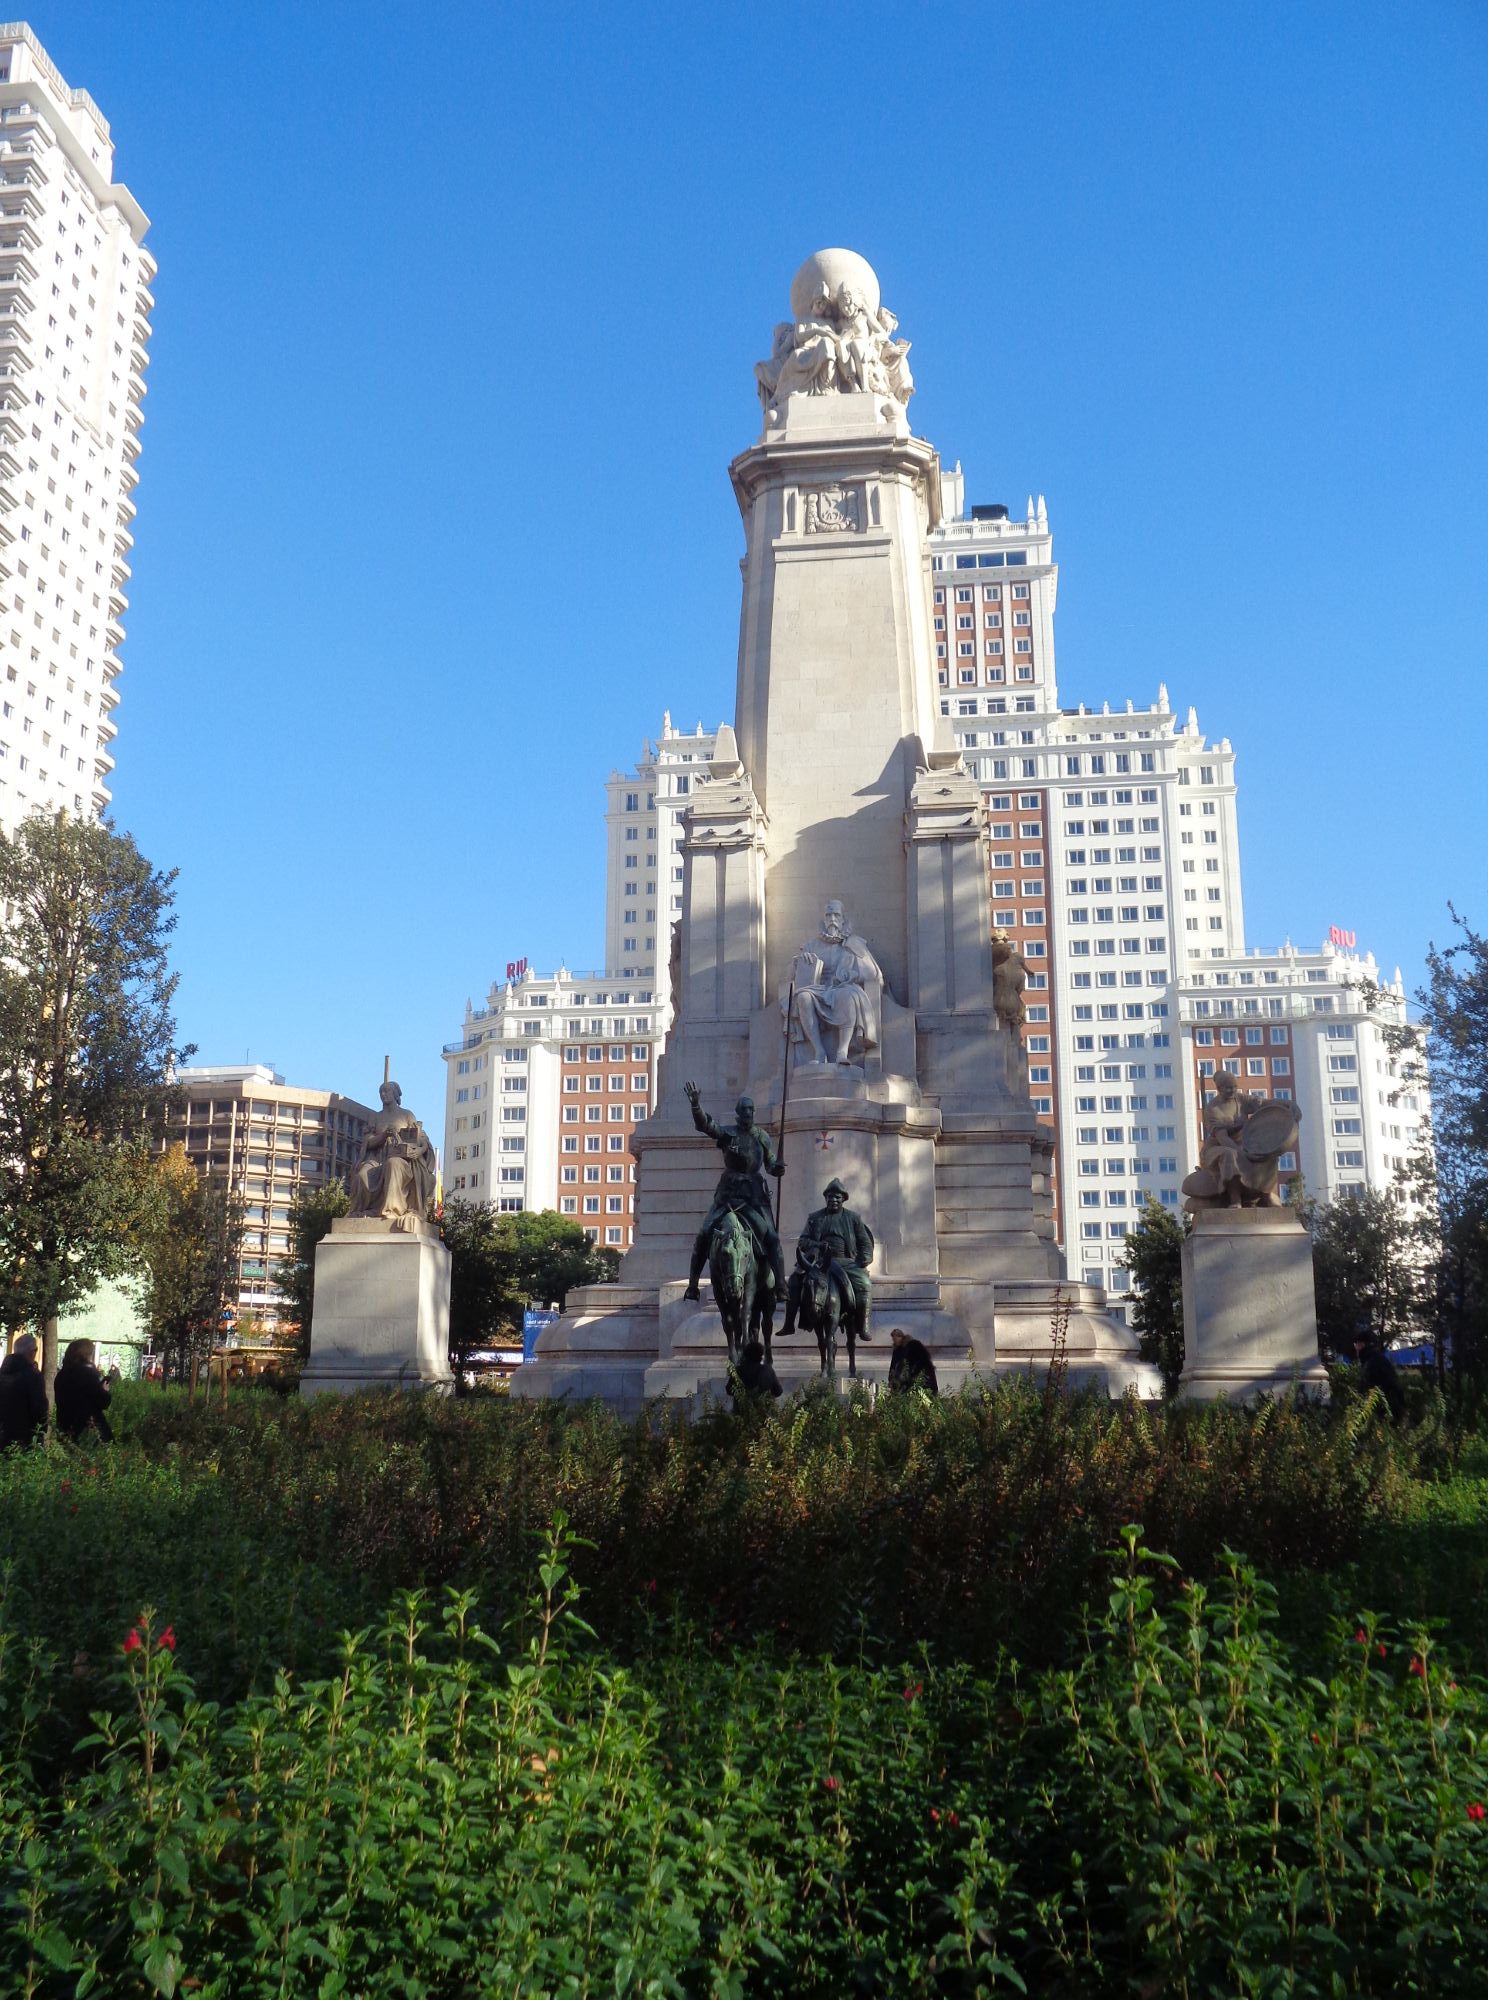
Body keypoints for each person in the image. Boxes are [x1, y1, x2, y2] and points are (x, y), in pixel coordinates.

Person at [682, 1082, 788, 1304]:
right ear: (738, 1114)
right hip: (728, 1196)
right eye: (744, 1111)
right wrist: (695, 1106)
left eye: (750, 1111)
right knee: (704, 1234)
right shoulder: (728, 1134)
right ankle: (693, 1285)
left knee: (772, 1238)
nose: (747, 1114)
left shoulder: (762, 1137)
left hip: (755, 1197)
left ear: (753, 1113)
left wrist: (776, 1168)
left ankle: (780, 1285)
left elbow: (769, 1165)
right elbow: (707, 1126)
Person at [781, 1178, 874, 1344]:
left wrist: (864, 1260)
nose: (833, 1200)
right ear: (826, 1198)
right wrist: (817, 1245)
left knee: (865, 1284)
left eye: (837, 1197)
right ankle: (789, 1323)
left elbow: (865, 1243)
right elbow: (803, 1241)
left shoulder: (853, 1218)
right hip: (818, 1261)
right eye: (830, 1196)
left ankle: (863, 1326)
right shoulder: (815, 1217)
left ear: (843, 1199)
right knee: (795, 1280)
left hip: (845, 1261)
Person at [348, 1080, 438, 1227]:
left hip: (402, 1158)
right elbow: (368, 1142)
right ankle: (366, 1210)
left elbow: (421, 1139)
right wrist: (383, 1135)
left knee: (393, 1164)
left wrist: (419, 1151)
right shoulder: (375, 1117)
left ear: (396, 1094)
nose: (383, 1094)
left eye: (387, 1091)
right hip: (377, 1158)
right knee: (362, 1174)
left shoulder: (407, 1115)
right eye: (381, 1092)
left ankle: (392, 1209)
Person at [53, 1338, 114, 1443]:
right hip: (88, 1428)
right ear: (87, 1355)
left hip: (65, 1426)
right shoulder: (88, 1374)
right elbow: (103, 1402)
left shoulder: (62, 1375)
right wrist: (104, 1390)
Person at [0, 1333, 47, 1449]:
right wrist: (41, 1430)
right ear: (32, 1352)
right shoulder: (33, 1377)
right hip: (25, 1439)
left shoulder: (2, 1374)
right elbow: (39, 1409)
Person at [1353, 1335, 1405, 1421]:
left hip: (1382, 1412)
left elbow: (1368, 1388)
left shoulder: (1371, 1363)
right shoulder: (1376, 1359)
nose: (1356, 1348)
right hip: (1389, 1408)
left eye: (1357, 1344)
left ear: (1363, 1345)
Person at [887, 1326, 938, 1397]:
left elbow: (922, 1361)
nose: (895, 1341)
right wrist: (891, 1379)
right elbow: (893, 1366)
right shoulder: (897, 1351)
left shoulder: (913, 1345)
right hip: (908, 1380)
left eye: (896, 1338)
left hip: (917, 1379)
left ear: (901, 1337)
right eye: (893, 1339)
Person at [730, 1339, 782, 1408]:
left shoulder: (739, 1370)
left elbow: (729, 1389)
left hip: (741, 1411)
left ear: (745, 1355)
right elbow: (778, 1391)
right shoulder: (768, 1370)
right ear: (761, 1355)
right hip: (763, 1412)